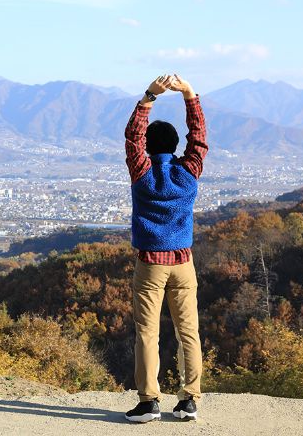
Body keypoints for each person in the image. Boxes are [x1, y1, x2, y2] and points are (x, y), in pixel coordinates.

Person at [123, 74, 207, 423]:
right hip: (184, 263)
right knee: (188, 331)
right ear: (175, 145)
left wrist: (148, 97)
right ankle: (189, 399)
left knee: (147, 332)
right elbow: (199, 138)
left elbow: (132, 137)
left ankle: (149, 402)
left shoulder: (142, 171)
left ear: (149, 147)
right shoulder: (188, 172)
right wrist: (189, 94)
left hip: (150, 265)